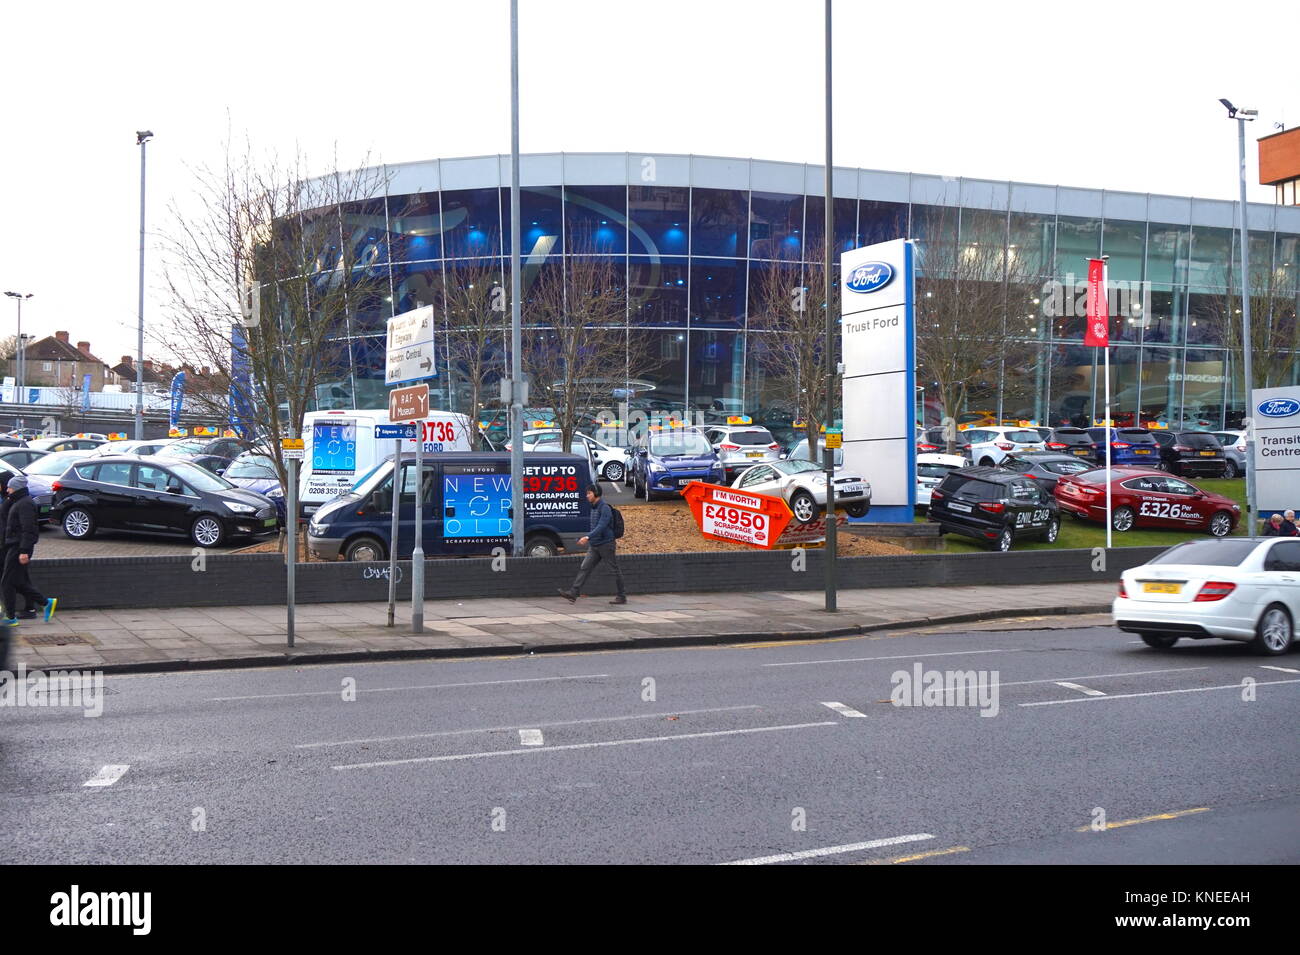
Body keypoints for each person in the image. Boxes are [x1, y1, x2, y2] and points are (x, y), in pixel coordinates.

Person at [1, 475, 57, 626]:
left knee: (7, 582)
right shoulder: (18, 501)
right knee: (16, 581)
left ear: (17, 489)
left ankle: (11, 618)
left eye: (10, 488)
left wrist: (24, 551)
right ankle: (45, 602)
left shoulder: (25, 504)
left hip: (19, 547)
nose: (7, 489)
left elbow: (28, 529)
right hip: (15, 546)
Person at [558, 483, 626, 605]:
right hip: (595, 545)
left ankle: (622, 596)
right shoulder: (594, 507)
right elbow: (595, 526)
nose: (587, 496)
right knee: (585, 567)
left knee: (614, 570)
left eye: (589, 493)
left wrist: (588, 537)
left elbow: (602, 526)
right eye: (587, 493)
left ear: (596, 494)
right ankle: (573, 593)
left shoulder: (604, 508)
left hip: (606, 544)